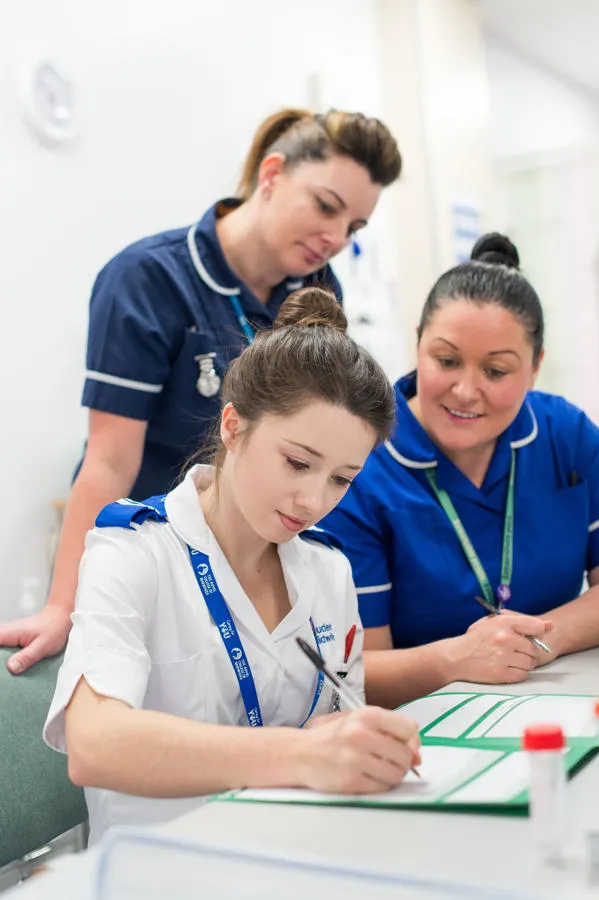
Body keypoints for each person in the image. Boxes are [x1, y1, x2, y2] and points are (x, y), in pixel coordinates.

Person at [0, 107, 402, 674]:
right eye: (326, 206)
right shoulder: (149, 280)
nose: (335, 238)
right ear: (272, 175)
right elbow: (110, 461)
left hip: (252, 556)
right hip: (150, 562)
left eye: (354, 228)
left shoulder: (317, 289)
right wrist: (66, 605)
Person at [43, 288, 421, 843]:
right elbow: (95, 745)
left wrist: (360, 742)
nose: (313, 502)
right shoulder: (131, 551)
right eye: (297, 462)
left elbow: (339, 714)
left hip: (300, 850)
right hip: (161, 869)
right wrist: (303, 751)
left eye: (341, 479)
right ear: (233, 426)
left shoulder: (328, 569)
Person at [323, 233, 599, 708]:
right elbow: (357, 671)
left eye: (496, 371)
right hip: (425, 728)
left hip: (558, 697)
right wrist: (455, 659)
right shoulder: (361, 461)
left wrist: (532, 646)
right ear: (418, 345)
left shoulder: (566, 435)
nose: (466, 391)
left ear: (535, 368)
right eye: (446, 361)